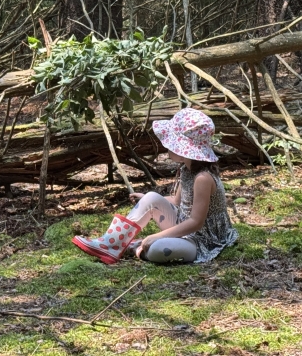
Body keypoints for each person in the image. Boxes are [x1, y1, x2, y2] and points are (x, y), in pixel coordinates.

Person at [72, 108, 238, 264]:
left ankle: (137, 247)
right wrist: (148, 201)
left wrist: (156, 236)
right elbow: (177, 201)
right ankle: (110, 244)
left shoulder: (203, 178)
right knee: (151, 196)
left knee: (158, 249)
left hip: (204, 239)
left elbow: (196, 222)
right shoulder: (187, 170)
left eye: (172, 143)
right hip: (184, 226)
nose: (166, 146)